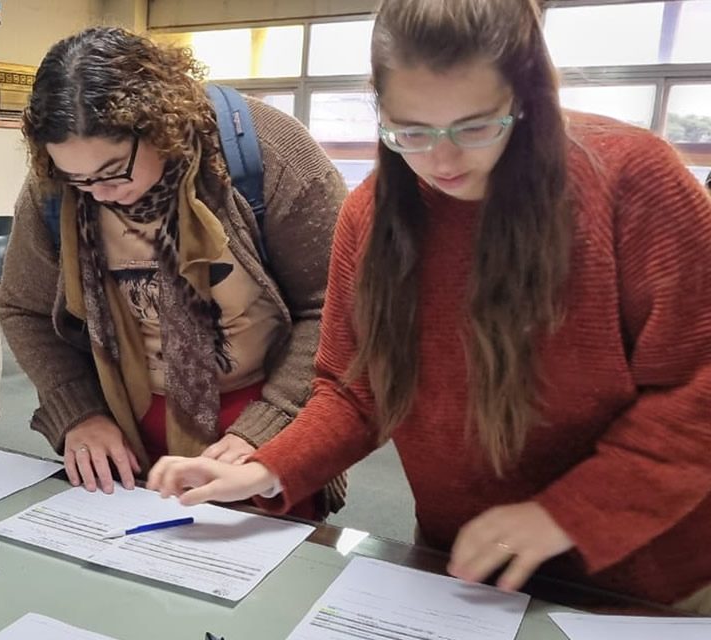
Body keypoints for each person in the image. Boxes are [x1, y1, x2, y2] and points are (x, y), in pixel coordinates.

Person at [148, 0, 711, 613]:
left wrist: (564, 516)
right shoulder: (371, 213)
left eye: (475, 127)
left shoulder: (634, 178)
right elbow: (355, 389)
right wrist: (265, 468)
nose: (442, 162)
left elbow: (695, 391)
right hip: (464, 564)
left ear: (525, 98)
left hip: (642, 570)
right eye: (410, 131)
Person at [0, 26, 348, 518]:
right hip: (127, 415)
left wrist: (270, 422)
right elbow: (24, 309)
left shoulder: (270, 155)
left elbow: (335, 310)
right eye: (78, 178)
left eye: (114, 170)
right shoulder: (58, 187)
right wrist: (79, 411)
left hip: (261, 409)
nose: (98, 193)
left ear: (157, 124)